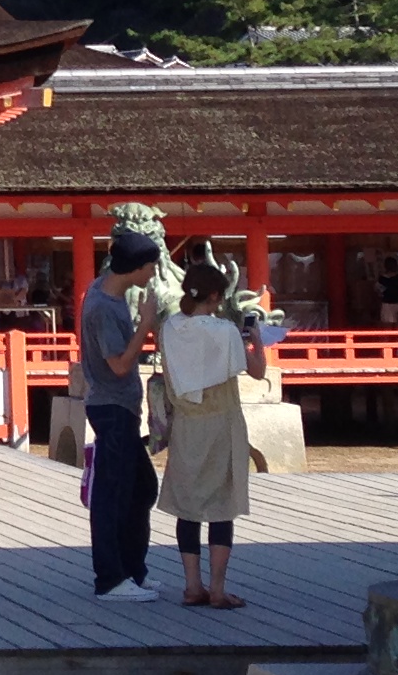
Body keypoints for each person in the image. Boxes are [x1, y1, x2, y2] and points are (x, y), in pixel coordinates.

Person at [156, 259, 262, 607]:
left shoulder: (170, 328)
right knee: (221, 506)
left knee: (188, 507)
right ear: (215, 296)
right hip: (221, 423)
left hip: (187, 423)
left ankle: (192, 585)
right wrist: (256, 340)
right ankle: (217, 588)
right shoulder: (225, 331)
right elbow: (257, 371)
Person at [80, 225, 161, 598]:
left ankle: (132, 570)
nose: (153, 274)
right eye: (151, 267)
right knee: (113, 494)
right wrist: (146, 323)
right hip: (111, 406)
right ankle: (111, 578)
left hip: (121, 407)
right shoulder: (103, 307)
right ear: (136, 268)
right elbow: (119, 365)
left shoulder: (104, 288)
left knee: (141, 488)